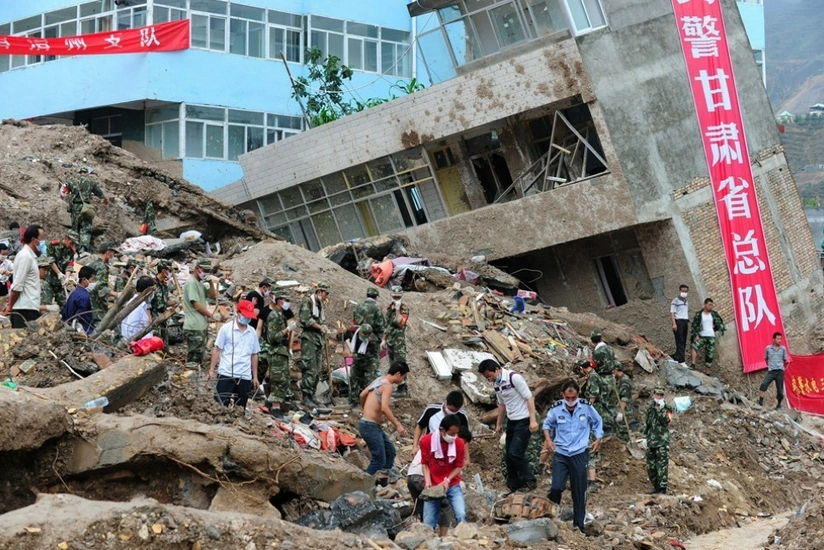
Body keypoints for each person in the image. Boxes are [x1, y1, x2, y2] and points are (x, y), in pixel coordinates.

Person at [543, 379, 603, 533]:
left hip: (579, 453)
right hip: (561, 453)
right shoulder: (556, 409)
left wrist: (598, 438)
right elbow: (547, 425)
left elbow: (597, 422)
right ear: (562, 395)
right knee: (556, 487)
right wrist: (549, 440)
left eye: (573, 398)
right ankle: (552, 518)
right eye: (567, 398)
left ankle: (579, 526)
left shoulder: (586, 407)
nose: (570, 401)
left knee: (579, 490)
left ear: (578, 395)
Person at [478, 359, 539, 493]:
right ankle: (514, 486)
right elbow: (501, 405)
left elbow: (529, 398)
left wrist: (533, 420)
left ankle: (530, 480)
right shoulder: (497, 384)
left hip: (524, 419)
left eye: (490, 376)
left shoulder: (514, 378)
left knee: (515, 453)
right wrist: (499, 424)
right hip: (512, 420)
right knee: (508, 456)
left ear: (497, 369)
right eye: (487, 378)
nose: (489, 379)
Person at [408, 426, 472, 536]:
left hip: (411, 476)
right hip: (421, 476)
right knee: (445, 504)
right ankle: (442, 537)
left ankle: (425, 538)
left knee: (425, 511)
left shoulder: (439, 441)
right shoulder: (445, 446)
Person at [358, 360, 409, 477]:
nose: (403, 380)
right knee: (378, 459)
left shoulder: (379, 380)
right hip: (369, 426)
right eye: (404, 376)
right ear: (398, 374)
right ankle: (363, 483)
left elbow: (362, 395)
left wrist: (365, 408)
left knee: (390, 452)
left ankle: (383, 482)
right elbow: (384, 408)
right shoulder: (387, 386)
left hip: (370, 425)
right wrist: (398, 425)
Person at [207, 299, 261, 409]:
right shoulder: (226, 329)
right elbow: (217, 350)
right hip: (226, 373)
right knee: (219, 406)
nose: (247, 318)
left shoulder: (252, 332)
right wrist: (211, 370)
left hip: (244, 376)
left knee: (240, 409)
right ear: (238, 312)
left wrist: (255, 377)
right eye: (245, 315)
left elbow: (254, 355)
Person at [419, 415, 468, 532]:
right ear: (442, 430)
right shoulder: (426, 441)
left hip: (452, 484)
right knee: (428, 522)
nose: (453, 437)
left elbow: (458, 466)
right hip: (433, 486)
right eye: (451, 434)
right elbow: (424, 463)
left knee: (461, 514)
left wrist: (447, 480)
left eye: (456, 434)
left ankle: (465, 539)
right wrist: (428, 480)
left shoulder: (459, 443)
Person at [2, 224, 44, 328]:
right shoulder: (26, 256)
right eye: (41, 239)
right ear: (34, 239)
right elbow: (17, 285)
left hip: (29, 307)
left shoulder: (29, 256)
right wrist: (10, 306)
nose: (42, 242)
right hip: (24, 309)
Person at [298, 282, 331, 408]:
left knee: (317, 369)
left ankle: (311, 394)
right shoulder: (308, 302)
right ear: (319, 291)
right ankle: (306, 396)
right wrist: (320, 327)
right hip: (309, 338)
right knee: (309, 367)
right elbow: (306, 320)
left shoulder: (320, 305)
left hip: (317, 339)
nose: (326, 297)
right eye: (325, 294)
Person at [413, 391, 470, 455]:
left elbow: (465, 438)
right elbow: (420, 426)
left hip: (450, 452)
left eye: (455, 411)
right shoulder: (431, 410)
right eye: (451, 410)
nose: (452, 412)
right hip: (429, 448)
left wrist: (466, 458)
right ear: (446, 402)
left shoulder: (462, 416)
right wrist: (415, 446)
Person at [183, 258, 217, 366]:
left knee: (198, 358)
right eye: (204, 270)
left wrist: (211, 282)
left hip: (200, 325)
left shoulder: (200, 284)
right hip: (194, 326)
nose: (206, 273)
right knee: (193, 361)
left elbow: (212, 296)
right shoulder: (192, 283)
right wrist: (210, 315)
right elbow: (196, 304)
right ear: (197, 268)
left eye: (208, 271)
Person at [265, 294, 295, 410]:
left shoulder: (280, 315)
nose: (287, 302)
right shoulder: (274, 316)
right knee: (278, 379)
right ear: (279, 301)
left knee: (284, 379)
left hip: (282, 351)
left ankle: (279, 403)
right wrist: (287, 329)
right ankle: (275, 407)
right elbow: (273, 337)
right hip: (276, 351)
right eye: (286, 300)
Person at [65, 166, 105, 253]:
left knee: (75, 228)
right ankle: (83, 248)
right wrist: (105, 198)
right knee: (85, 229)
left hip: (75, 208)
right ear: (86, 173)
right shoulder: (91, 181)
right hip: (85, 208)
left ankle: (73, 248)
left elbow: (65, 191)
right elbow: (99, 193)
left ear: (79, 173)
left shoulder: (72, 181)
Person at [580, 359, 605, 491]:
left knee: (590, 445)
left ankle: (591, 481)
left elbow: (593, 396)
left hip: (592, 413)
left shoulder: (593, 378)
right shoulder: (592, 376)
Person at [644, 386, 673, 494]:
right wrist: (644, 436)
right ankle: (655, 486)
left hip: (662, 441)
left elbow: (666, 422)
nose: (658, 397)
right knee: (651, 466)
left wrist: (660, 410)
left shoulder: (667, 408)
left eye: (661, 395)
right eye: (657, 394)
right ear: (654, 394)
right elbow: (647, 423)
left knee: (662, 466)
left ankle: (662, 488)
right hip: (651, 441)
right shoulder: (650, 408)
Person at [590, 332, 618, 436]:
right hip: (611, 378)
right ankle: (611, 427)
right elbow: (617, 363)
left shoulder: (598, 352)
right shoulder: (610, 349)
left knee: (602, 403)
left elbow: (594, 365)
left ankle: (604, 428)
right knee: (611, 403)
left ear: (592, 341)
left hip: (602, 378)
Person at [348, 322, 381, 409]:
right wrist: (340, 334)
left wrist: (350, 355)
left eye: (366, 335)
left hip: (370, 362)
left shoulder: (373, 341)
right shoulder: (353, 331)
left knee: (368, 381)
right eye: (362, 334)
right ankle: (354, 400)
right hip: (357, 360)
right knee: (354, 377)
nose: (363, 336)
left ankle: (369, 401)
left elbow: (364, 356)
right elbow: (342, 336)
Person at [689, 298, 726, 375]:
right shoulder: (699, 314)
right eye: (709, 305)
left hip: (711, 336)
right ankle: (693, 364)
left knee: (710, 353)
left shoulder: (714, 314)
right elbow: (694, 325)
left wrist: (715, 327)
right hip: (702, 336)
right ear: (705, 304)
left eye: (712, 305)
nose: (711, 306)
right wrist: (696, 334)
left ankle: (708, 371)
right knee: (694, 346)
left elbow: (720, 322)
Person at [43, 230, 78, 309]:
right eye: (71, 242)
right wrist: (59, 273)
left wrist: (67, 277)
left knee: (65, 306)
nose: (72, 245)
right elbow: (50, 260)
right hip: (49, 280)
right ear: (66, 238)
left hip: (61, 283)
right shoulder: (53, 246)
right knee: (46, 303)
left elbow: (69, 265)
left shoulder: (71, 252)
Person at [385, 286, 410, 396]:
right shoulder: (389, 308)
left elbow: (400, 323)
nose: (396, 299)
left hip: (399, 342)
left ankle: (403, 388)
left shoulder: (404, 308)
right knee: (392, 364)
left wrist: (397, 310)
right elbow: (387, 325)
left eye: (398, 297)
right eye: (394, 297)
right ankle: (395, 387)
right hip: (390, 340)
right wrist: (383, 339)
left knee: (400, 364)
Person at [87, 242, 119, 323]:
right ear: (108, 253)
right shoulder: (102, 267)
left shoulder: (92, 265)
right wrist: (116, 294)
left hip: (88, 304)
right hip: (97, 307)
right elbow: (100, 287)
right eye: (113, 254)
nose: (113, 256)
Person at [759, 332, 790, 409]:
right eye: (778, 339)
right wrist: (770, 366)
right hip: (771, 371)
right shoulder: (768, 348)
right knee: (764, 384)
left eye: (780, 339)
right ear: (774, 339)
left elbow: (785, 360)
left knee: (780, 391)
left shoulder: (783, 349)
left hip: (780, 371)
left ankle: (779, 405)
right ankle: (760, 402)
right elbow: (766, 359)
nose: (780, 340)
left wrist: (782, 368)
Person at [120, 276, 156, 342]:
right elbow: (130, 329)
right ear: (148, 291)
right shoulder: (136, 306)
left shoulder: (142, 304)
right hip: (137, 345)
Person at [63, 265, 96, 334]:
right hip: (84, 330)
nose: (94, 282)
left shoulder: (74, 293)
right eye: (92, 280)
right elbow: (78, 317)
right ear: (84, 279)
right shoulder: (84, 297)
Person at [149, 259, 173, 344]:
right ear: (163, 271)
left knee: (164, 342)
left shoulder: (164, 285)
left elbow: (163, 302)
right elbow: (148, 303)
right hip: (155, 317)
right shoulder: (153, 284)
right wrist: (150, 319)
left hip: (163, 317)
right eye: (169, 270)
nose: (171, 273)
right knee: (156, 342)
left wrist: (175, 303)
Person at [613, 364, 633, 442]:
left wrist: (620, 412)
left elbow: (625, 398)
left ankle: (625, 445)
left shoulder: (625, 381)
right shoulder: (618, 379)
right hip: (620, 407)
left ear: (617, 370)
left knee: (622, 431)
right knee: (617, 430)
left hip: (625, 409)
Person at [670, 284, 689, 364]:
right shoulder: (675, 301)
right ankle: (682, 361)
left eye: (685, 291)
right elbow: (672, 313)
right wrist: (674, 324)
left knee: (683, 341)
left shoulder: (686, 301)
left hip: (685, 321)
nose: (684, 292)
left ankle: (678, 357)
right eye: (682, 291)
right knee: (680, 340)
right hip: (679, 322)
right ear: (679, 291)